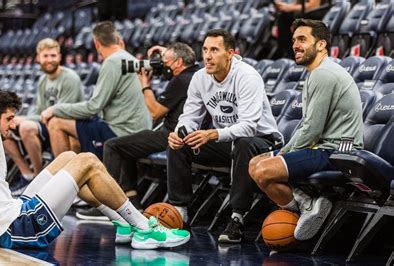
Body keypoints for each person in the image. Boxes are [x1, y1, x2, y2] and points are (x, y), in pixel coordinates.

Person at [0, 88, 190, 253]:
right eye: (9, 119)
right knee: (87, 161)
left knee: (69, 158)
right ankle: (144, 227)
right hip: (16, 228)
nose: (12, 125)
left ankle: (122, 224)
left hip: (13, 212)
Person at [249, 19, 364, 241]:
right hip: (321, 146)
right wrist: (283, 151)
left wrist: (283, 154)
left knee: (263, 170)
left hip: (337, 152)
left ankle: (307, 207)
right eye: (293, 40)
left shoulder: (324, 74)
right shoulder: (316, 72)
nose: (295, 45)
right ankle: (306, 203)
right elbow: (308, 126)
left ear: (321, 44)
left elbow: (311, 129)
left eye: (302, 39)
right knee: (255, 164)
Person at [167, 29, 282, 243]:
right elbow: (189, 116)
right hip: (226, 140)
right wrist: (180, 131)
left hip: (263, 142)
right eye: (205, 50)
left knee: (243, 143)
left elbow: (248, 127)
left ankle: (237, 218)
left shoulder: (247, 76)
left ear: (230, 53)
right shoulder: (200, 78)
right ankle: (179, 212)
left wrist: (212, 134)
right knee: (178, 143)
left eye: (214, 50)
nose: (207, 56)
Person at [85, 43, 199, 220]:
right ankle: (132, 201)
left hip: (170, 135)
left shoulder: (181, 80)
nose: (163, 66)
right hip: (178, 132)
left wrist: (145, 85)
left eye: (166, 62)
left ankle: (108, 205)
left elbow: (155, 112)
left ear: (179, 63)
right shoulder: (195, 75)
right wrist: (166, 52)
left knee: (113, 146)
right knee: (127, 146)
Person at [41, 21, 152, 160]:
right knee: (76, 128)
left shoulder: (112, 62)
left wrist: (55, 109)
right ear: (118, 40)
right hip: (139, 131)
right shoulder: (128, 58)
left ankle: (63, 178)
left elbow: (93, 107)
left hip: (123, 133)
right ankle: (77, 177)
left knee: (56, 123)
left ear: (97, 43)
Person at [2, 38, 84, 191]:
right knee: (3, 127)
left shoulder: (70, 78)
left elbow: (62, 114)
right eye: (46, 56)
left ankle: (40, 180)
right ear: (38, 58)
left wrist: (25, 119)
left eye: (53, 56)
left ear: (60, 57)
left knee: (26, 127)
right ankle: (27, 175)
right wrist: (17, 119)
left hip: (64, 127)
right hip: (47, 123)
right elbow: (40, 110)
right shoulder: (42, 80)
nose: (50, 60)